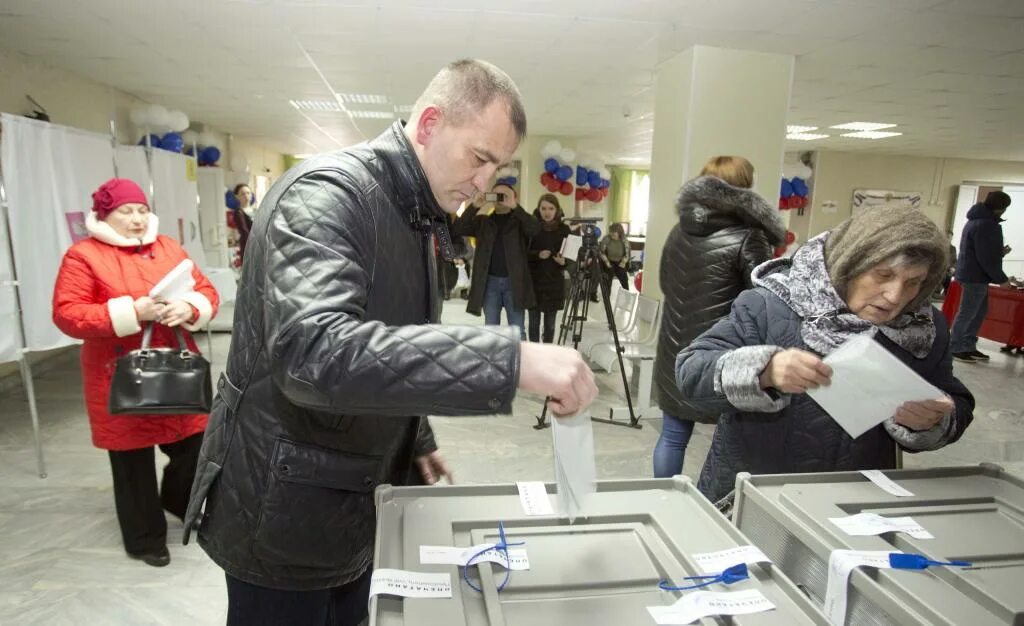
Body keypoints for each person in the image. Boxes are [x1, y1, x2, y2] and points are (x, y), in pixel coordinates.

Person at [182, 59, 598, 626]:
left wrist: (414, 434)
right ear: (428, 124)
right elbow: (315, 353)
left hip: (352, 489)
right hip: (285, 509)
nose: (484, 183)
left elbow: (397, 337)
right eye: (479, 158)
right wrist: (510, 359)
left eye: (497, 167)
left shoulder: (416, 210)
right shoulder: (327, 195)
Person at [676, 206, 974, 504]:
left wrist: (933, 420)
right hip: (753, 497)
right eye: (883, 275)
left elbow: (954, 400)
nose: (895, 295)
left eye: (914, 282)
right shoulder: (770, 306)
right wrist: (763, 370)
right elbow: (690, 372)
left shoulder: (922, 328)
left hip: (855, 507)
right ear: (849, 263)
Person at [51, 178, 219, 567]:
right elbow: (68, 314)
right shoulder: (84, 256)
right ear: (105, 215)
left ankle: (178, 499)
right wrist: (130, 312)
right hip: (117, 373)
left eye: (142, 210)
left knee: (193, 446)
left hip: (175, 368)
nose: (137, 219)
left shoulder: (169, 248)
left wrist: (190, 308)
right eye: (126, 212)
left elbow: (206, 290)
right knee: (132, 464)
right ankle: (145, 540)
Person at [652, 156, 784, 478]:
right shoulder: (749, 237)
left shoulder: (678, 230)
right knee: (731, 442)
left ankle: (662, 499)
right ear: (743, 188)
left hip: (674, 344)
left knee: (672, 435)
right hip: (721, 350)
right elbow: (762, 299)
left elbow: (665, 281)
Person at [453, 182, 540, 338]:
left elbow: (535, 229)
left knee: (518, 330)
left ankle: (520, 361)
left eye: (504, 196)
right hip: (490, 283)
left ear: (514, 198)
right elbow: (459, 228)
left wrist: (515, 207)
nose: (500, 199)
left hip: (514, 284)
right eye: (496, 195)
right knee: (491, 331)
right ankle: (494, 361)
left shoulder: (520, 222)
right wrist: (474, 207)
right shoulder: (483, 222)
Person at [950, 190, 1012, 362]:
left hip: (974, 274)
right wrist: (1002, 279)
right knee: (968, 313)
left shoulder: (975, 221)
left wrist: (1000, 252)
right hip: (975, 276)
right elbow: (985, 257)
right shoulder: (986, 224)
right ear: (1001, 209)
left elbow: (981, 251)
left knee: (978, 312)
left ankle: (968, 345)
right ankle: (956, 347)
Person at [527, 193, 570, 343]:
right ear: (538, 209)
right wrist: (537, 254)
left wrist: (563, 262)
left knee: (550, 325)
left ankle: (547, 355)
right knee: (533, 324)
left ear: (557, 209)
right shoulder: (532, 227)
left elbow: (570, 258)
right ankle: (533, 354)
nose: (547, 212)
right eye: (543, 208)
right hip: (534, 283)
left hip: (554, 284)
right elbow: (522, 253)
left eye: (551, 208)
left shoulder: (565, 230)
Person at [598, 223, 630, 294]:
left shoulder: (624, 240)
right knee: (608, 278)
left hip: (620, 261)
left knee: (624, 279)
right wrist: (607, 262)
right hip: (609, 261)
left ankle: (627, 296)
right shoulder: (607, 238)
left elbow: (627, 254)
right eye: (611, 233)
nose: (612, 235)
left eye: (614, 233)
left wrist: (624, 262)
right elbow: (601, 252)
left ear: (619, 233)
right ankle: (607, 297)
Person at [231, 183, 255, 264]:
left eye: (248, 193)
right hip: (248, 247)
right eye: (242, 194)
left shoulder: (256, 210)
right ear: (237, 197)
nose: (246, 196)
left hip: (260, 245)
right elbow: (245, 232)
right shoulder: (238, 213)